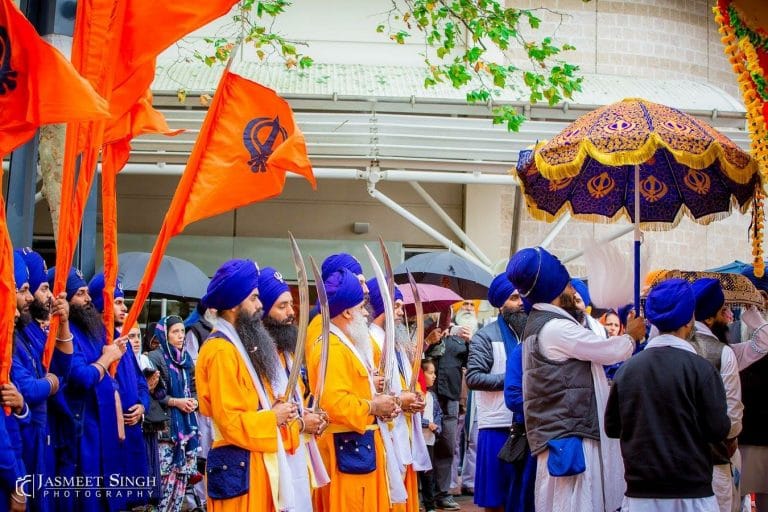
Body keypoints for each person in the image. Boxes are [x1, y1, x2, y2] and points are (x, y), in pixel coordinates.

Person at [507, 246, 645, 512]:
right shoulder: (555, 327)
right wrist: (632, 335)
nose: (573, 290)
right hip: (571, 435)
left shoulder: (543, 323)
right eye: (568, 285)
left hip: (564, 432)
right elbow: (607, 351)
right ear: (554, 289)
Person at [605, 278, 731, 512]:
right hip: (692, 494)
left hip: (641, 495)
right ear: (690, 319)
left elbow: (613, 427)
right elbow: (718, 429)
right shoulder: (701, 370)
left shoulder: (627, 371)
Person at [307, 267, 401, 512]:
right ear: (347, 311)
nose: (365, 312)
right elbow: (335, 403)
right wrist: (373, 406)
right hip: (345, 451)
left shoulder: (345, 344)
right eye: (361, 307)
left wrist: (381, 406)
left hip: (358, 448)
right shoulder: (333, 349)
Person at [49, 266, 127, 512]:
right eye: (80, 294)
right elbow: (81, 377)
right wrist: (107, 358)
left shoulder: (92, 330)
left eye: (86, 292)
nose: (87, 300)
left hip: (102, 430)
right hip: (80, 432)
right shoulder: (66, 332)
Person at [259, 266, 329, 511]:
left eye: (291, 304)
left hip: (297, 454)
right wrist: (300, 423)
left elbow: (295, 401)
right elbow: (269, 412)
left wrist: (308, 415)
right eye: (282, 306)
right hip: (270, 460)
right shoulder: (256, 356)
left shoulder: (287, 352)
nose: (291, 312)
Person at [11, 248, 73, 512]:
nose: (48, 297)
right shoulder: (19, 333)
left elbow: (62, 370)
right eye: (40, 288)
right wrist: (51, 384)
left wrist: (63, 324)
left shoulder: (29, 330)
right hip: (26, 439)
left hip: (42, 433)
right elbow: (27, 388)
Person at [366, 277, 427, 512]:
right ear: (382, 307)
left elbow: (407, 382)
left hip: (406, 428)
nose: (402, 312)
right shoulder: (370, 341)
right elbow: (373, 390)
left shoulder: (398, 343)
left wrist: (417, 398)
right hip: (387, 432)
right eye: (397, 305)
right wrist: (402, 400)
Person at [466, 273, 526, 512]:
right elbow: (473, 377)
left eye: (522, 296)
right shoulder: (485, 336)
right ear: (501, 304)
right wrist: (512, 381)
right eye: (513, 297)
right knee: (495, 501)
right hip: (496, 427)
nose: (521, 301)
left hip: (526, 426)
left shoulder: (530, 334)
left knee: (521, 497)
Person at [690, 278, 743, 512]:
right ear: (709, 318)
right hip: (714, 462)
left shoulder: (660, 347)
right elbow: (731, 422)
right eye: (723, 311)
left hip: (672, 467)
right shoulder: (723, 353)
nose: (728, 317)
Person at [147, 316, 200, 512]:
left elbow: (193, 388)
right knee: (163, 484)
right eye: (175, 332)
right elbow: (152, 391)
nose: (180, 336)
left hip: (187, 431)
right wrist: (176, 402)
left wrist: (194, 401)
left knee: (182, 481)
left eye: (182, 332)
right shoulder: (155, 358)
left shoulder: (186, 359)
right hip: (167, 431)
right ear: (164, 334)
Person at [425, 304, 468, 511]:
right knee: (425, 447)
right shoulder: (425, 334)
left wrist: (470, 341)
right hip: (427, 399)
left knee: (447, 446)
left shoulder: (459, 339)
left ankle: (442, 493)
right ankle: (425, 494)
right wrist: (429, 339)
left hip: (450, 399)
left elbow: (471, 363)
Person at [420, 358, 443, 512]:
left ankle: (430, 505)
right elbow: (413, 418)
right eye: (430, 373)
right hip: (418, 440)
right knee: (415, 474)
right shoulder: (417, 395)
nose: (434, 376)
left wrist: (437, 428)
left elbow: (439, 414)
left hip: (429, 440)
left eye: (434, 373)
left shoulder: (432, 396)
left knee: (428, 474)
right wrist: (427, 423)